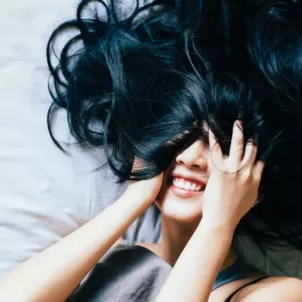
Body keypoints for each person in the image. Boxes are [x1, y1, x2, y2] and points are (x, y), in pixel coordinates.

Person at [1, 0, 302, 301]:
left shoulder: (277, 294)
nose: (191, 158)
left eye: (220, 143)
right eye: (183, 134)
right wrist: (134, 198)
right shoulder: (116, 257)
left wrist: (218, 223)